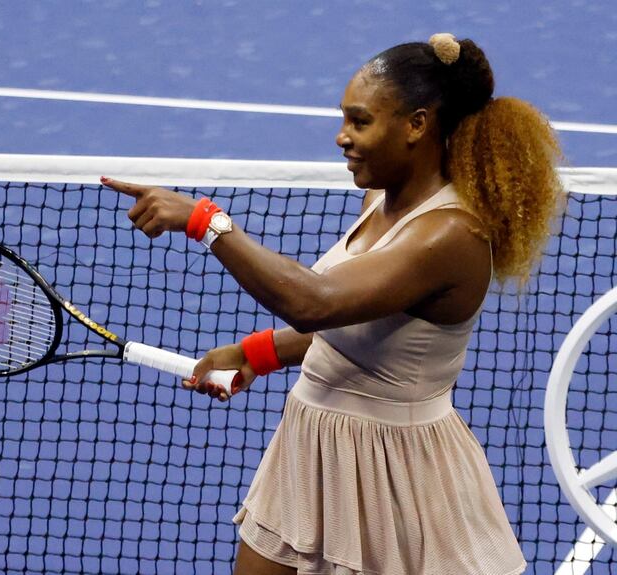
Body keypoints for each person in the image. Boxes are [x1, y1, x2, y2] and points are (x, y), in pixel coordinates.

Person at [102, 33, 562, 575]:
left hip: (397, 472)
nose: (342, 137)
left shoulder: (450, 236)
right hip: (313, 443)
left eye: (360, 121)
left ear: (417, 124)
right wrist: (258, 353)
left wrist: (204, 221)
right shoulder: (380, 201)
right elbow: (361, 327)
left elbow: (315, 303)